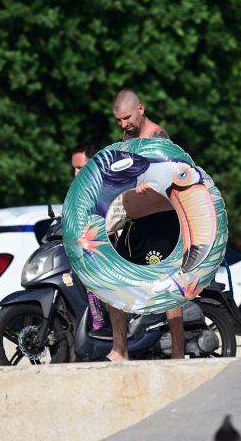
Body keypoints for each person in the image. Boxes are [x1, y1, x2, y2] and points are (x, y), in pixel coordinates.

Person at [105, 89, 185, 361]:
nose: (123, 124)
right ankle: (120, 350)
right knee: (114, 283)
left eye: (126, 118)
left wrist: (151, 182)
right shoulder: (128, 137)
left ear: (141, 109)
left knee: (168, 285)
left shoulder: (157, 136)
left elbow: (173, 173)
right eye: (118, 120)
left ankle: (178, 352)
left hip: (160, 223)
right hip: (133, 224)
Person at [71, 141, 107, 331]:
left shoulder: (107, 188)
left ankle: (99, 325)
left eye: (81, 168)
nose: (77, 174)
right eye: (74, 169)